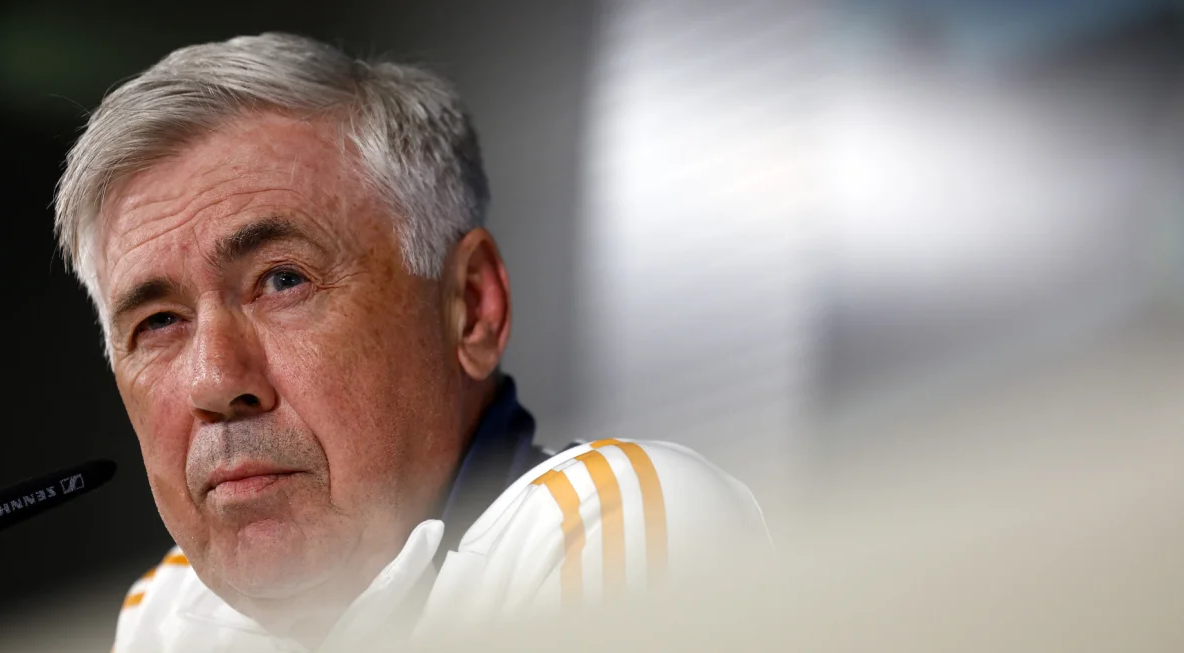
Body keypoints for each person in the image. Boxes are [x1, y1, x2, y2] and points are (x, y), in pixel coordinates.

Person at [53, 32, 768, 653]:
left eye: (281, 280)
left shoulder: (614, 516)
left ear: (471, 308)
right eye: (159, 323)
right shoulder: (171, 616)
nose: (216, 379)